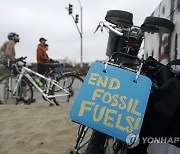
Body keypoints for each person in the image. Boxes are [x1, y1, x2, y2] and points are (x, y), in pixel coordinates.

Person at [0, 32, 35, 104]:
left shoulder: (9, 43)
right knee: (23, 78)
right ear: (13, 37)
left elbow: (9, 54)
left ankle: (22, 95)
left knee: (20, 77)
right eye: (17, 36)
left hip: (6, 61)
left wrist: (17, 59)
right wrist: (14, 60)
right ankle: (24, 97)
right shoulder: (11, 42)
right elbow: (7, 53)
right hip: (8, 62)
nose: (19, 37)